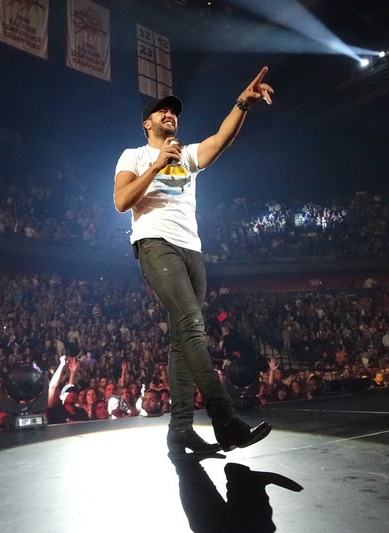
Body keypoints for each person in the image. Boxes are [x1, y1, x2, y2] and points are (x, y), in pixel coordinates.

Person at [113, 67, 274, 453]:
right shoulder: (134, 155)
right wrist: (156, 165)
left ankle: (180, 429)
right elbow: (121, 201)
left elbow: (220, 140)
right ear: (147, 123)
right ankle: (225, 418)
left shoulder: (185, 155)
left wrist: (242, 103)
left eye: (174, 111)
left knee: (180, 341)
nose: (170, 114)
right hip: (155, 243)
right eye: (162, 111)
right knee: (192, 324)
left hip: (192, 250)